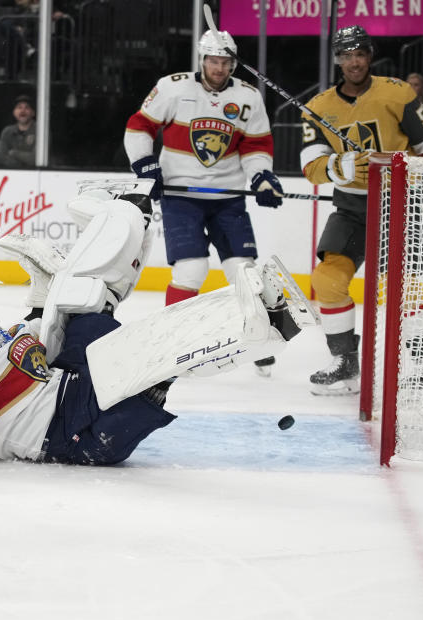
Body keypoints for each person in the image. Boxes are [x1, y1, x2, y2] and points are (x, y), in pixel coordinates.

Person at [0, 181, 314, 471]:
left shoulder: (13, 340)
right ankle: (262, 328)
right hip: (73, 434)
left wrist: (47, 279)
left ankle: (132, 213)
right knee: (150, 353)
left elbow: (50, 316)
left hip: (77, 399)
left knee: (89, 306)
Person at [124, 29, 284, 376]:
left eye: (225, 62)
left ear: (233, 63)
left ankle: (256, 340)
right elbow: (139, 127)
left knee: (243, 270)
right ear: (202, 60)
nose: (219, 67)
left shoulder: (248, 96)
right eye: (213, 61)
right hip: (181, 197)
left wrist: (261, 177)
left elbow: (256, 146)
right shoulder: (173, 87)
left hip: (227, 198)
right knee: (191, 270)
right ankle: (175, 341)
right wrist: (144, 163)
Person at [300, 25, 423, 395]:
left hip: (400, 202)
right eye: (346, 55)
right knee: (327, 280)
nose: (354, 62)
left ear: (370, 55)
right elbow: (312, 169)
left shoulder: (397, 92)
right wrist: (339, 166)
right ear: (338, 60)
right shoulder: (317, 109)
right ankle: (345, 362)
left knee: (401, 288)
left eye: (359, 54)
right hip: (350, 206)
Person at [0, 94, 35, 167]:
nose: (23, 110)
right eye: (19, 107)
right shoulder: (7, 131)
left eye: (27, 107)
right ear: (14, 112)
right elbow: (1, 158)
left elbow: (35, 159)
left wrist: (13, 153)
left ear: (33, 112)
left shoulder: (40, 131)